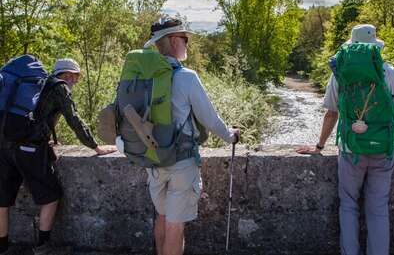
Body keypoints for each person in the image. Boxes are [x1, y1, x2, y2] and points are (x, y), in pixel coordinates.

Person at [296, 24, 394, 255]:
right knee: (378, 208)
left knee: (348, 204)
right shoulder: (389, 72)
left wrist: (319, 146)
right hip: (383, 148)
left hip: (351, 149)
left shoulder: (340, 74)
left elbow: (331, 114)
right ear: (375, 48)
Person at [143, 17, 240, 255]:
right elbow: (210, 119)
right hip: (181, 162)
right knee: (175, 226)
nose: (187, 44)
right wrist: (231, 136)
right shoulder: (186, 77)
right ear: (174, 40)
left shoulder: (143, 75)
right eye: (185, 39)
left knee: (162, 217)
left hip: (152, 159)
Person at [0, 58, 115, 255]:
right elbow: (74, 120)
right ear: (68, 75)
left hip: (4, 143)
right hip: (29, 148)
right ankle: (43, 247)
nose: (75, 81)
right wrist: (95, 147)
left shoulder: (35, 85)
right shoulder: (60, 88)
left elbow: (38, 115)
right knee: (51, 196)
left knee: (2, 199)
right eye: (75, 77)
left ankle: (2, 247)